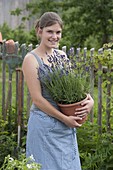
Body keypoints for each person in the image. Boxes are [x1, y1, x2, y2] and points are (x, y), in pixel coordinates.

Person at [22, 12, 94, 170]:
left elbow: (77, 90)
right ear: (40, 31)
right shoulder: (31, 59)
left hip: (65, 128)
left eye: (58, 32)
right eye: (50, 31)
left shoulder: (62, 56)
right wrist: (64, 119)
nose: (54, 36)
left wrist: (89, 101)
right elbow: (38, 100)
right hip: (44, 126)